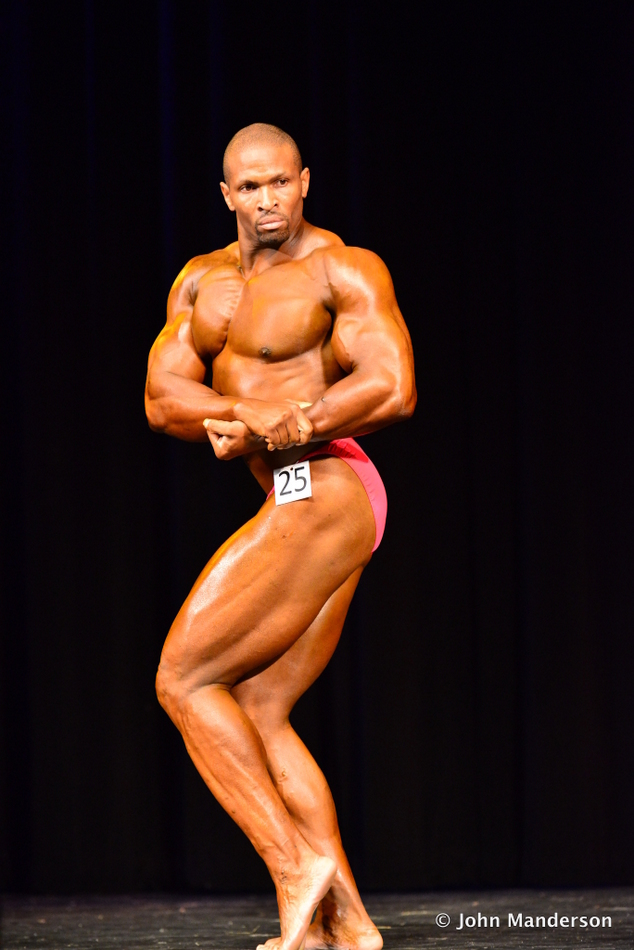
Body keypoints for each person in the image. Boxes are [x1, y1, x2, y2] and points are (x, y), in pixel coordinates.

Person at [145, 123, 416, 950]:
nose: (267, 200)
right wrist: (244, 411)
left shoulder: (341, 267)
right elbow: (162, 399)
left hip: (332, 484)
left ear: (304, 183)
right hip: (296, 495)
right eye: (250, 187)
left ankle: (296, 868)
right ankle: (350, 924)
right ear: (228, 195)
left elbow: (392, 386)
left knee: (184, 680)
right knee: (259, 709)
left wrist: (293, 422)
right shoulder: (199, 282)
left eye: (280, 183)